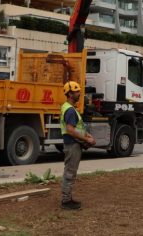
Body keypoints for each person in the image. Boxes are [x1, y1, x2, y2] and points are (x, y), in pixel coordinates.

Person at [60, 80, 96, 210]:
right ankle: (66, 201)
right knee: (70, 172)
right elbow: (70, 129)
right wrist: (86, 139)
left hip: (73, 144)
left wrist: (87, 136)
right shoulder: (70, 110)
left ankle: (67, 198)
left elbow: (77, 127)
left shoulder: (69, 108)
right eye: (76, 91)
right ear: (70, 94)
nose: (79, 93)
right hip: (72, 145)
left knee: (70, 171)